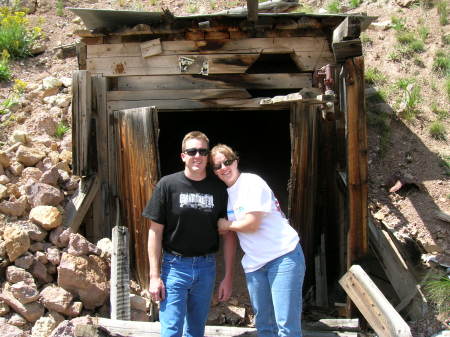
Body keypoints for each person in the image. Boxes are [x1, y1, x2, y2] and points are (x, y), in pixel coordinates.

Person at [142, 131, 236, 337]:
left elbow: (228, 234)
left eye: (202, 151)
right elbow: (154, 232)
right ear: (183, 155)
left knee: (195, 331)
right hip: (175, 267)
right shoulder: (167, 185)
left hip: (206, 268)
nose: (197, 156)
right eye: (192, 151)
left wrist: (228, 276)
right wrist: (154, 276)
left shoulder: (219, 189)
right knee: (171, 330)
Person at [210, 143, 305, 337]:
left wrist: (226, 225)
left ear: (236, 161)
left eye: (227, 162)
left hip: (282, 257)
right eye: (217, 166)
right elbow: (230, 239)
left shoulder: (251, 183)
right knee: (264, 326)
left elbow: (252, 224)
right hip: (255, 266)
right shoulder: (227, 196)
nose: (223, 168)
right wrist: (227, 277)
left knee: (286, 325)